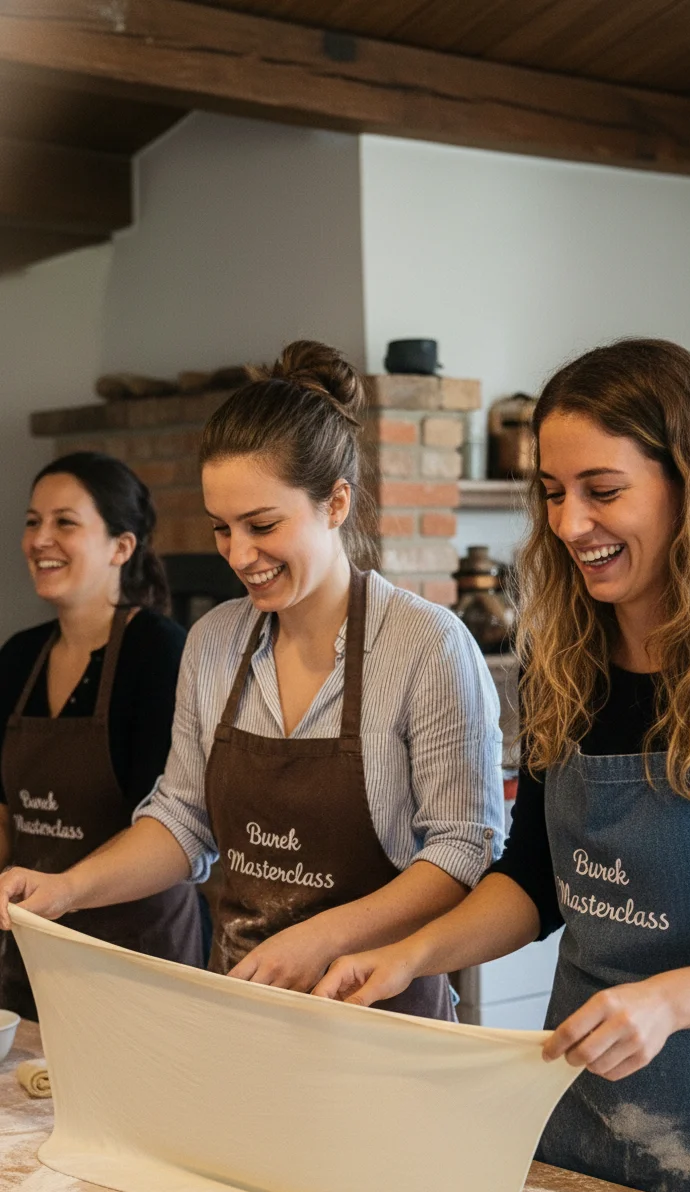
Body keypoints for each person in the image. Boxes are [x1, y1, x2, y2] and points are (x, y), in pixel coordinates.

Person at [0, 341, 504, 1020]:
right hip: (244, 1008)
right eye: (221, 529)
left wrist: (319, 941)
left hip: (381, 1021)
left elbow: (463, 849)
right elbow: (181, 820)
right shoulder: (214, 643)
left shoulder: (426, 645)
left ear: (335, 503)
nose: (240, 555)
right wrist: (68, 888)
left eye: (262, 525)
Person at [315, 338, 690, 1192]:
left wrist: (673, 1000)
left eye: (603, 491)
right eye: (553, 494)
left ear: (686, 481)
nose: (570, 525)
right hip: (576, 1119)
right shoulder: (563, 655)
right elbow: (534, 879)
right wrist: (411, 956)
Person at [0, 451, 203, 1019]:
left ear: (121, 546)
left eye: (65, 522)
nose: (41, 538)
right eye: (32, 521)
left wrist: (65, 887)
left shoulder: (158, 653)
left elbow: (171, 826)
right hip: (32, 956)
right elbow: (4, 814)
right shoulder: (18, 659)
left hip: (136, 961)